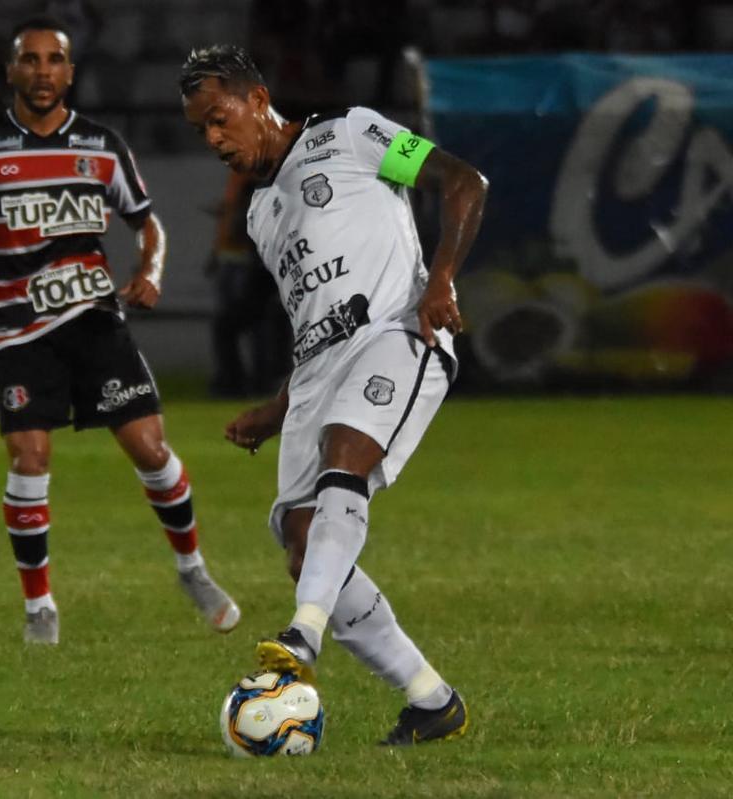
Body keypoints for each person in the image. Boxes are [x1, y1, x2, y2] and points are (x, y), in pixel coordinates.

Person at [180, 45, 487, 745]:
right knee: (298, 536)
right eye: (201, 131)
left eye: (220, 120)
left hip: (398, 333)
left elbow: (464, 181)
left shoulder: (351, 134)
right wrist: (277, 405)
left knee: (345, 458)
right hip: (321, 373)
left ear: (258, 99)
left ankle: (302, 637)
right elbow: (314, 321)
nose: (214, 140)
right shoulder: (260, 215)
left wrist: (439, 281)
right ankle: (431, 698)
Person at [0, 17, 240, 645]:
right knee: (29, 457)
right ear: (11, 70)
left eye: (54, 61)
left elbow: (147, 224)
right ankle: (39, 606)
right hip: (17, 331)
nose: (42, 71)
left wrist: (149, 271)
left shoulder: (101, 147)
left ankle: (192, 570)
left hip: (95, 321)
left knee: (152, 451)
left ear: (70, 72)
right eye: (30, 60)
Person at [207, 169, 290, 397]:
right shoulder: (279, 211)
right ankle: (259, 381)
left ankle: (234, 382)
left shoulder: (256, 213)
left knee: (234, 326)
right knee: (261, 326)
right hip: (272, 281)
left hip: (261, 279)